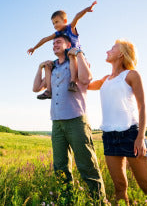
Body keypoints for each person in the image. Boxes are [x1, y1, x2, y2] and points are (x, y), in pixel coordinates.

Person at [88, 39, 147, 205]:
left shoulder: (131, 75)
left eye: (112, 48)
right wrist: (78, 59)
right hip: (109, 137)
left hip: (131, 135)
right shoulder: (105, 79)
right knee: (119, 187)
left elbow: (142, 106)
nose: (107, 51)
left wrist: (140, 137)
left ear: (121, 54)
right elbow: (85, 85)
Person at [32, 35, 106, 201]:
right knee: (60, 167)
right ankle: (67, 200)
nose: (54, 45)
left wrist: (78, 53)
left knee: (87, 164)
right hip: (57, 123)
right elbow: (36, 88)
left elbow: (87, 79)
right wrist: (40, 67)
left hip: (76, 120)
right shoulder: (53, 68)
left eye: (58, 42)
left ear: (68, 44)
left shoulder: (76, 61)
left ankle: (98, 201)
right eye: (53, 44)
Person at [28, 1, 97, 99]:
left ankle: (72, 82)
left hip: (76, 55)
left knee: (70, 54)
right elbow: (45, 39)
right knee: (48, 66)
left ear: (64, 21)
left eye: (56, 22)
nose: (55, 25)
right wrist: (34, 48)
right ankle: (49, 91)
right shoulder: (57, 33)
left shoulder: (70, 28)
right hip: (65, 57)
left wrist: (87, 9)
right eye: (53, 24)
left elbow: (77, 16)